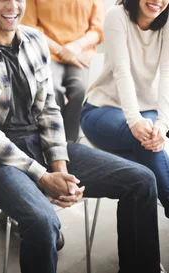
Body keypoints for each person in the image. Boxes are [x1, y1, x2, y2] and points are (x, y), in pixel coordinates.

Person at [0, 0, 162, 272]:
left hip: (39, 144)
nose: (13, 6)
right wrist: (43, 176)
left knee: (141, 180)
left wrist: (60, 167)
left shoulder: (35, 40)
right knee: (42, 220)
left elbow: (49, 108)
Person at [81, 0, 169, 218]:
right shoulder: (116, 16)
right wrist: (134, 120)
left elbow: (168, 73)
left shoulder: (167, 21)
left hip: (148, 110)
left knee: (146, 152)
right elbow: (123, 71)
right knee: (146, 140)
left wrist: (163, 124)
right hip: (101, 110)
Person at [22, 0, 104, 142]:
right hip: (47, 52)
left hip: (80, 55)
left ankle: (71, 143)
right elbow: (28, 27)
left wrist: (77, 46)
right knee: (51, 89)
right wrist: (61, 50)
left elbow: (98, 29)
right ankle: (53, 140)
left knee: (80, 90)